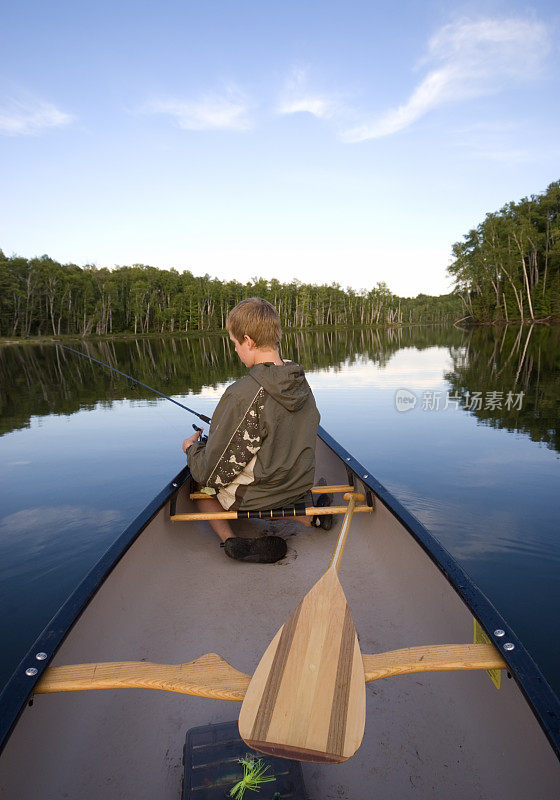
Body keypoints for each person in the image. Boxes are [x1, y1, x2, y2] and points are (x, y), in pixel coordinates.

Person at [182, 297, 321, 563]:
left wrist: (192, 449)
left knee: (198, 481)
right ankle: (307, 515)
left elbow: (211, 472)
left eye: (235, 344)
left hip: (261, 496)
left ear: (249, 341)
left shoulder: (241, 394)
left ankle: (230, 541)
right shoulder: (299, 382)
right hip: (299, 487)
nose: (235, 350)